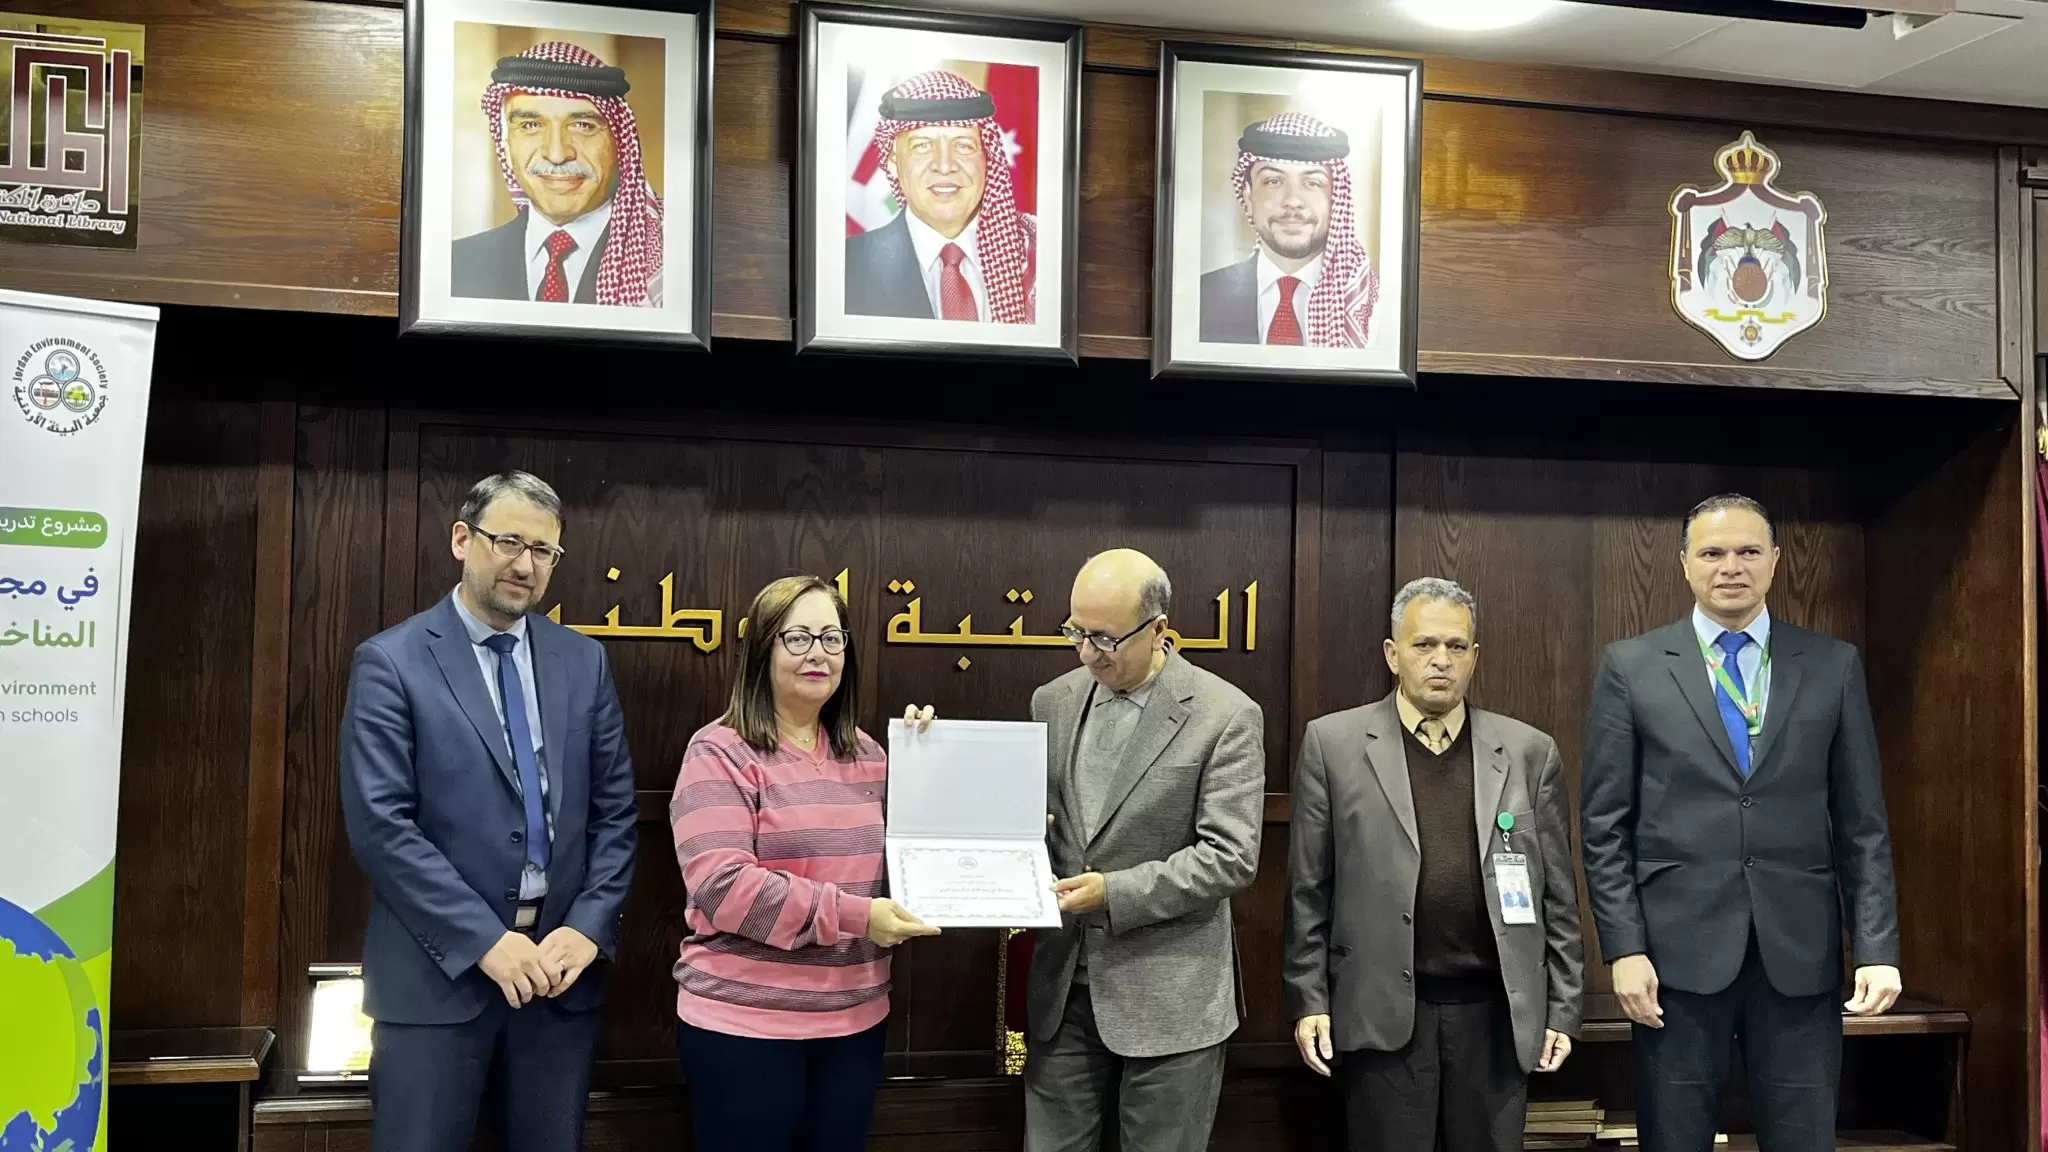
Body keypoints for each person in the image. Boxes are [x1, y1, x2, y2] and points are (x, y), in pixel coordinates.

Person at [1581, 494, 1903, 1152]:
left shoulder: (1833, 665)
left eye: (1749, 551)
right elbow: (1604, 826)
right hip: (1672, 960)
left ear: (1776, 561)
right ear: (1684, 564)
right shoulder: (1632, 667)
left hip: (1799, 952)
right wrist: (1623, 948)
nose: (1731, 566)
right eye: (1713, 552)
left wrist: (1876, 948)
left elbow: (1863, 825)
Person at [338, 471, 638, 1152]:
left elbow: (616, 815)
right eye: (509, 542)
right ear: (462, 539)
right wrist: (484, 940)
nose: (525, 565)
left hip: (558, 983)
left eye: (544, 551)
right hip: (435, 984)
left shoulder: (583, 662)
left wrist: (587, 928)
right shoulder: (392, 662)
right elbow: (382, 827)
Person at [1284, 577, 1583, 1152]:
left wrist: (1564, 1008)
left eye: (1456, 646)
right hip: (1383, 1016)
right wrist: (1308, 999)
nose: (1440, 660)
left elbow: (1558, 898)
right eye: (1423, 645)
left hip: (1496, 1018)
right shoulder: (1333, 745)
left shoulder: (1529, 752)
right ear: (1393, 654)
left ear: (1475, 656)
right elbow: (1307, 891)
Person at [669, 574, 939, 1152]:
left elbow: (917, 859)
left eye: (832, 638)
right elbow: (723, 888)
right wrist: (858, 916)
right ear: (761, 651)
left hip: (855, 1022)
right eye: (797, 638)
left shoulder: (871, 755)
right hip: (744, 1027)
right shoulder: (719, 752)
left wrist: (935, 764)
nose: (818, 653)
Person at [1023, 549, 1264, 1152]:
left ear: (1158, 629)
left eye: (1105, 638)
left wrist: (1114, 893)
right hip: (1062, 992)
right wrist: (931, 750)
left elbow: (1230, 856)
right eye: (1076, 632)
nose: (1086, 653)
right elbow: (1032, 824)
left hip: (1172, 1000)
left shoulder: (1226, 715)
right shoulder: (1052, 701)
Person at [451, 41, 662, 306]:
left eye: (583, 125)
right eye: (530, 125)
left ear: (619, 141)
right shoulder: (455, 264)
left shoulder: (667, 266)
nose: (557, 154)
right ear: (505, 142)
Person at [845, 69, 1036, 324]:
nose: (945, 166)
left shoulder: (1039, 255)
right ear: (893, 163)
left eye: (963, 146)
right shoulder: (847, 268)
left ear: (987, 158)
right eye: (923, 146)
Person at [1199, 112, 1379, 348]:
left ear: (1336, 199)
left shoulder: (1373, 308)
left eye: (1312, 183)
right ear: (1248, 197)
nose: (1293, 200)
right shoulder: (1198, 299)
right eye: (1273, 181)